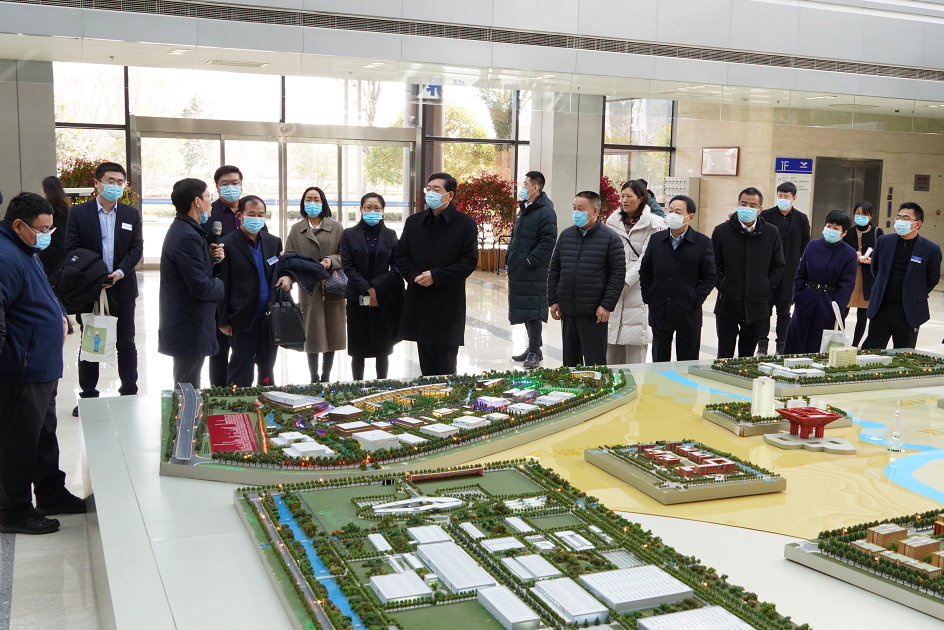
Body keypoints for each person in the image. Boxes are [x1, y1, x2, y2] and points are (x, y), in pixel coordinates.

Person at [0, 192, 85, 535]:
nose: (48, 235)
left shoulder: (25, 249)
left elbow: (44, 293)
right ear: (19, 225)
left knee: (43, 437)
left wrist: (60, 314)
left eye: (51, 228)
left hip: (41, 366)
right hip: (21, 369)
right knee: (19, 442)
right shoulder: (6, 256)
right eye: (42, 229)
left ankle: (51, 493)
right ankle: (14, 509)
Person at [65, 162, 143, 416]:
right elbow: (73, 248)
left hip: (122, 286)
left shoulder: (131, 214)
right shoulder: (79, 213)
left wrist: (120, 272)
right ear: (97, 183)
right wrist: (96, 274)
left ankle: (129, 391)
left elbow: (136, 248)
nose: (116, 186)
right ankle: (88, 395)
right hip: (91, 288)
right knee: (91, 340)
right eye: (110, 181)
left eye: (120, 182)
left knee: (126, 341)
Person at [397, 172, 478, 376]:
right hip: (420, 299)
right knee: (426, 364)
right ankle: (428, 394)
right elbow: (400, 255)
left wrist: (436, 276)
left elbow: (469, 262)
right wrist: (414, 276)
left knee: (446, 364)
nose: (430, 193)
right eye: (429, 189)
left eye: (436, 189)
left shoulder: (465, 224)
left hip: (447, 302)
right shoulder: (414, 222)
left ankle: (449, 396)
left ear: (450, 195)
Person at [158, 178, 226, 387]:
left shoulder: (188, 230)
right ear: (197, 202)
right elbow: (200, 287)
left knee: (188, 382)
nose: (211, 202)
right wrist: (221, 284)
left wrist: (210, 261)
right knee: (188, 386)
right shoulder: (187, 236)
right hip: (189, 325)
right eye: (208, 196)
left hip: (189, 322)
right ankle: (187, 411)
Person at [548, 191, 625, 367]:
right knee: (570, 364)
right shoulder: (566, 236)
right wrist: (553, 300)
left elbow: (617, 275)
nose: (576, 212)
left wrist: (606, 305)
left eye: (580, 209)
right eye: (574, 208)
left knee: (595, 363)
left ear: (595, 211)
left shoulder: (610, 238)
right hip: (568, 311)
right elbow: (554, 269)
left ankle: (598, 385)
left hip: (594, 313)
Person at [217, 196, 284, 387]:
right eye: (251, 214)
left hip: (269, 317)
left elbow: (280, 269)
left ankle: (266, 395)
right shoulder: (227, 244)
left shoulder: (273, 242)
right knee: (241, 366)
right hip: (242, 316)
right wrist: (223, 320)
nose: (257, 218)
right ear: (240, 216)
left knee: (266, 366)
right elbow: (222, 284)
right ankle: (237, 399)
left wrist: (287, 277)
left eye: (261, 215)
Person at [640, 195, 716, 362]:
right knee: (659, 362)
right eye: (671, 210)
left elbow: (710, 276)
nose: (672, 215)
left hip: (688, 311)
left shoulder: (702, 242)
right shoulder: (656, 239)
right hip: (660, 308)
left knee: (687, 363)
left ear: (690, 216)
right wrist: (649, 295)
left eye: (678, 212)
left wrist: (696, 298)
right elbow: (645, 270)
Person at [712, 187, 785, 358]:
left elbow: (778, 265)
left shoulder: (771, 232)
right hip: (727, 303)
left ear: (760, 209)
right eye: (743, 204)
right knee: (724, 355)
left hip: (757, 304)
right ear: (738, 205)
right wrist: (724, 285)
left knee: (747, 357)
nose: (747, 208)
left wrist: (766, 286)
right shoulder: (721, 231)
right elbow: (713, 264)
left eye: (752, 206)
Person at [284, 186, 345, 382]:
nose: (312, 203)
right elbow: (288, 256)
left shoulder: (337, 227)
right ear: (303, 204)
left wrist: (330, 260)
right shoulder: (297, 229)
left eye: (316, 199)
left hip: (332, 286)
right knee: (312, 335)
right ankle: (313, 377)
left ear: (323, 202)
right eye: (308, 199)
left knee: (332, 334)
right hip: (308, 288)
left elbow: (345, 255)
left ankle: (326, 376)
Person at [340, 193, 401, 380]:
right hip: (356, 297)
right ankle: (357, 386)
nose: (372, 211)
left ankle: (382, 384)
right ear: (361, 209)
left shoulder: (391, 235)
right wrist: (369, 289)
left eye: (377, 208)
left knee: (383, 347)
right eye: (368, 207)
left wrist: (379, 290)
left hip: (383, 298)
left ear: (383, 211)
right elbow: (348, 266)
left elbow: (397, 266)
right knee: (358, 348)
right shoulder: (349, 234)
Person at [863, 202, 942, 350]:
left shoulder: (931, 249)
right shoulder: (884, 241)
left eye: (905, 218)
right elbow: (876, 269)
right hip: (881, 307)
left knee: (903, 353)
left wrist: (915, 294)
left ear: (918, 223)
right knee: (872, 351)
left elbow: (932, 278)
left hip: (909, 312)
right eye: (898, 217)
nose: (900, 221)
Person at [605, 180, 666, 364]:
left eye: (629, 196)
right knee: (611, 354)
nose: (624, 200)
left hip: (639, 290)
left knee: (635, 355)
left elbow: (646, 259)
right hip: (613, 289)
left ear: (641, 198)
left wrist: (624, 280)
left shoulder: (654, 224)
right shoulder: (612, 221)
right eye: (622, 196)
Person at [782, 210, 858, 354]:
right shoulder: (812, 246)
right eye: (829, 226)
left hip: (829, 303)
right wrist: (798, 296)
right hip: (807, 299)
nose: (831, 230)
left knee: (819, 346)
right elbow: (801, 273)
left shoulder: (849, 254)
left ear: (844, 233)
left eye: (836, 228)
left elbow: (847, 285)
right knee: (797, 341)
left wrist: (837, 306)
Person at [506, 171, 557, 369]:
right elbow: (515, 236)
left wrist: (529, 260)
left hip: (533, 270)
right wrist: (510, 256)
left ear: (535, 187)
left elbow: (548, 241)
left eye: (525, 184)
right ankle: (533, 348)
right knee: (526, 309)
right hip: (520, 268)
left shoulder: (546, 212)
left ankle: (534, 351)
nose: (523, 187)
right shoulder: (525, 209)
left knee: (534, 310)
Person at [757, 182, 810, 355]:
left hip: (789, 272)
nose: (782, 199)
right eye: (780, 195)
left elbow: (805, 245)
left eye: (786, 196)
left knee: (784, 312)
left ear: (794, 198)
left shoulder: (801, 219)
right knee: (764, 311)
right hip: (768, 271)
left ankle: (782, 345)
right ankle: (762, 345)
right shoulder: (766, 215)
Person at [208, 165, 245, 388]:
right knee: (219, 348)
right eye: (225, 184)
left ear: (241, 185)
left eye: (235, 183)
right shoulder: (209, 212)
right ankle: (218, 391)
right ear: (217, 187)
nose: (230, 187)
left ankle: (241, 391)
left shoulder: (251, 210)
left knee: (244, 348)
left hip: (246, 289)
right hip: (220, 287)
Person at [843, 201, 883, 346]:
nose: (860, 216)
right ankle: (839, 340)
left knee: (862, 314)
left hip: (867, 278)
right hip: (851, 276)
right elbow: (842, 250)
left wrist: (871, 260)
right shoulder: (849, 231)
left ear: (870, 216)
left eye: (864, 214)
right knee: (843, 310)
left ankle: (855, 345)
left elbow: (882, 255)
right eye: (857, 213)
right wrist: (851, 256)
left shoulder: (878, 232)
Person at [39, 176, 70, 277]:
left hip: (48, 253)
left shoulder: (44, 208)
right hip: (64, 253)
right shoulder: (66, 208)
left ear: (46, 190)